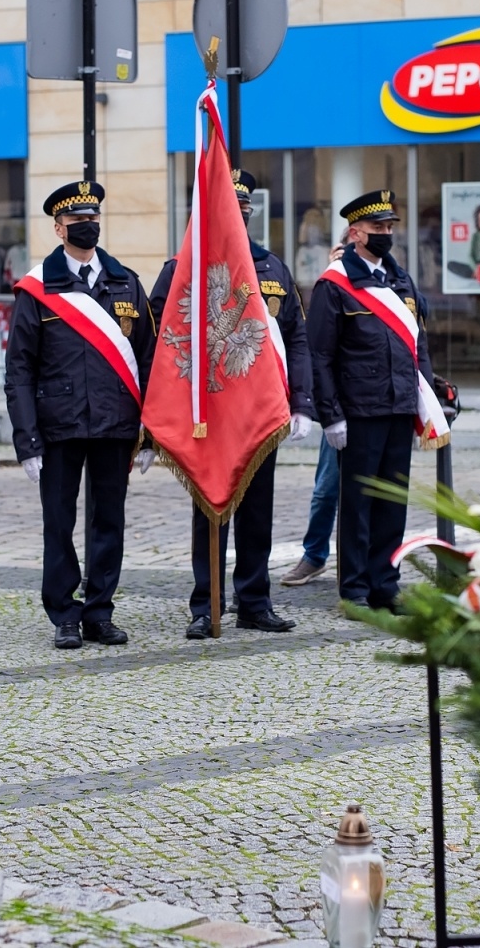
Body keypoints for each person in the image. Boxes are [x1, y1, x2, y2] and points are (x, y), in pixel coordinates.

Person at [149, 168, 316, 639]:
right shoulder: (182, 267)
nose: (239, 218)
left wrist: (301, 403)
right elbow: (160, 346)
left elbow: (296, 339)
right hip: (211, 412)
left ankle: (254, 602)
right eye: (231, 210)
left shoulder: (272, 268)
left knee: (257, 511)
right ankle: (207, 604)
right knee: (210, 508)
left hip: (259, 412)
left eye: (245, 211)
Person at [6, 181, 157, 650]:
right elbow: (19, 370)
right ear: (58, 228)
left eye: (93, 220)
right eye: (77, 222)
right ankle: (64, 614)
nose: (87, 227)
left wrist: (150, 432)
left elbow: (150, 360)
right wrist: (27, 441)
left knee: (109, 520)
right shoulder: (38, 290)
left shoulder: (125, 281)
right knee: (59, 521)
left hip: (115, 424)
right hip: (59, 426)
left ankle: (99, 612)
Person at [308, 189, 439, 611]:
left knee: (392, 500)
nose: (385, 233)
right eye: (377, 228)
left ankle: (386, 582)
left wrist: (428, 397)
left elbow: (417, 344)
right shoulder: (334, 284)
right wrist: (331, 417)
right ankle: (355, 588)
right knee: (358, 503)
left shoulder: (400, 280)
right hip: (359, 410)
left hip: (400, 404)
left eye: (389, 227)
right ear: (355, 233)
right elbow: (321, 355)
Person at [281, 241, 347, 588]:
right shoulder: (332, 288)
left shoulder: (387, 284)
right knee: (327, 488)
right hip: (340, 407)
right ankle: (315, 555)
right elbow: (316, 346)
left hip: (378, 406)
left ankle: (365, 565)